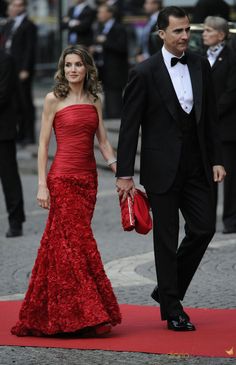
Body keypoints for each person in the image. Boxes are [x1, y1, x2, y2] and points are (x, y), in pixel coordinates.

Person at [116, 6, 226, 332]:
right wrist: (125, 174)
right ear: (161, 33)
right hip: (160, 167)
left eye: (187, 30)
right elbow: (128, 126)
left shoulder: (199, 64)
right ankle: (173, 308)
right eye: (177, 31)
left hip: (197, 164)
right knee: (165, 239)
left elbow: (209, 118)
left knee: (204, 228)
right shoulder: (144, 72)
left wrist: (217, 159)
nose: (184, 37)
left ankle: (165, 290)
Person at [11, 45, 121, 337]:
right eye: (69, 64)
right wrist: (42, 185)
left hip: (88, 182)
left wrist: (120, 172)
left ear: (87, 68)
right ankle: (85, 314)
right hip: (62, 178)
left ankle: (71, 312)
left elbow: (104, 142)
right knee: (74, 245)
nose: (73, 69)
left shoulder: (95, 100)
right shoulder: (52, 100)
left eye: (78, 64)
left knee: (66, 246)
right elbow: (44, 144)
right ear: (63, 68)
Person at [202, 16, 236, 234]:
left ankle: (231, 219)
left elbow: (232, 91)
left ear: (221, 35)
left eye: (208, 30)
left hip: (227, 127)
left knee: (230, 177)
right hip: (205, 127)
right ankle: (206, 219)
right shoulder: (198, 57)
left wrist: (212, 112)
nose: (203, 34)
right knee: (206, 176)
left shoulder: (232, 57)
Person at [0, 0, 37, 146]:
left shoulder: (29, 25)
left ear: (23, 7)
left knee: (25, 102)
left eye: (16, 5)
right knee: (13, 102)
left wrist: (25, 69)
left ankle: (29, 134)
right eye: (12, 5)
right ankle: (19, 133)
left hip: (21, 69)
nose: (13, 8)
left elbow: (30, 49)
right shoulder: (9, 24)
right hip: (9, 69)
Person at [0, 49, 25, 237]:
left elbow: (3, 94)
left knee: (9, 177)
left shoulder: (6, 60)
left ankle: (16, 221)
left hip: (3, 130)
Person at [90, 4, 128, 118]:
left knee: (114, 94)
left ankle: (115, 116)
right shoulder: (100, 27)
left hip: (115, 68)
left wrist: (105, 42)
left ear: (110, 13)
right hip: (103, 66)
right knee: (106, 92)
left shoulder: (119, 28)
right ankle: (108, 114)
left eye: (101, 12)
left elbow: (122, 47)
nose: (99, 15)